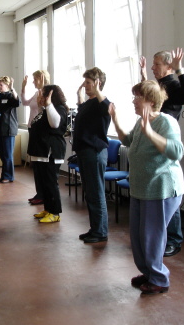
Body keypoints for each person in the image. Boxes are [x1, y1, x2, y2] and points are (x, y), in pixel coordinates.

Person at [109, 80, 184, 295]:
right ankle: (149, 272)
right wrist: (115, 120)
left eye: (137, 97)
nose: (133, 101)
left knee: (151, 237)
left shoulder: (166, 122)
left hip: (161, 189)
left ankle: (159, 279)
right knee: (138, 236)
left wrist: (150, 133)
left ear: (151, 101)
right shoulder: (141, 122)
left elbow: (176, 152)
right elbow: (127, 141)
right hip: (141, 188)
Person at [140, 47, 184, 257]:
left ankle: (174, 239)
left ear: (168, 66)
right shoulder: (161, 84)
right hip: (154, 138)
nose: (154, 67)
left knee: (168, 192)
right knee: (158, 194)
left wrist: (180, 69)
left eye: (157, 64)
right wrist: (144, 75)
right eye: (153, 64)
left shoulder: (172, 83)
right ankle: (161, 237)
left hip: (166, 140)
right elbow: (148, 96)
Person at [73, 67, 111, 243]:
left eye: (88, 83)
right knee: (90, 193)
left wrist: (96, 91)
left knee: (96, 193)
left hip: (94, 153)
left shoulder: (103, 103)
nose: (85, 85)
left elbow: (106, 109)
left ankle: (101, 231)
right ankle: (95, 228)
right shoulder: (90, 102)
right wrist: (79, 97)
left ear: (98, 83)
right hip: (85, 152)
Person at [29, 85, 68, 223]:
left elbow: (55, 123)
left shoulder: (60, 109)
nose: (41, 97)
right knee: (43, 184)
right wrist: (42, 106)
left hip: (50, 152)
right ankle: (47, 208)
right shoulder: (46, 110)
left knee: (51, 183)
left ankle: (55, 212)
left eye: (44, 94)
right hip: (41, 153)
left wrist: (48, 104)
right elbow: (41, 123)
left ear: (51, 96)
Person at [21, 70, 50, 205]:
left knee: (40, 164)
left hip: (40, 131)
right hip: (32, 129)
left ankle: (43, 194)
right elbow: (25, 102)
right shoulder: (36, 93)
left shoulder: (47, 94)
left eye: (35, 79)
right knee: (35, 164)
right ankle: (39, 192)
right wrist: (23, 87)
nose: (33, 81)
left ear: (41, 79)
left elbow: (45, 109)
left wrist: (43, 88)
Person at [0, 76, 20, 183]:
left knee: (7, 154)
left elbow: (17, 102)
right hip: (0, 128)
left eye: (1, 85)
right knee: (2, 154)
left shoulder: (11, 95)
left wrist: (12, 88)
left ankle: (8, 176)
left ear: (7, 85)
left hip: (9, 128)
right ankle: (5, 175)